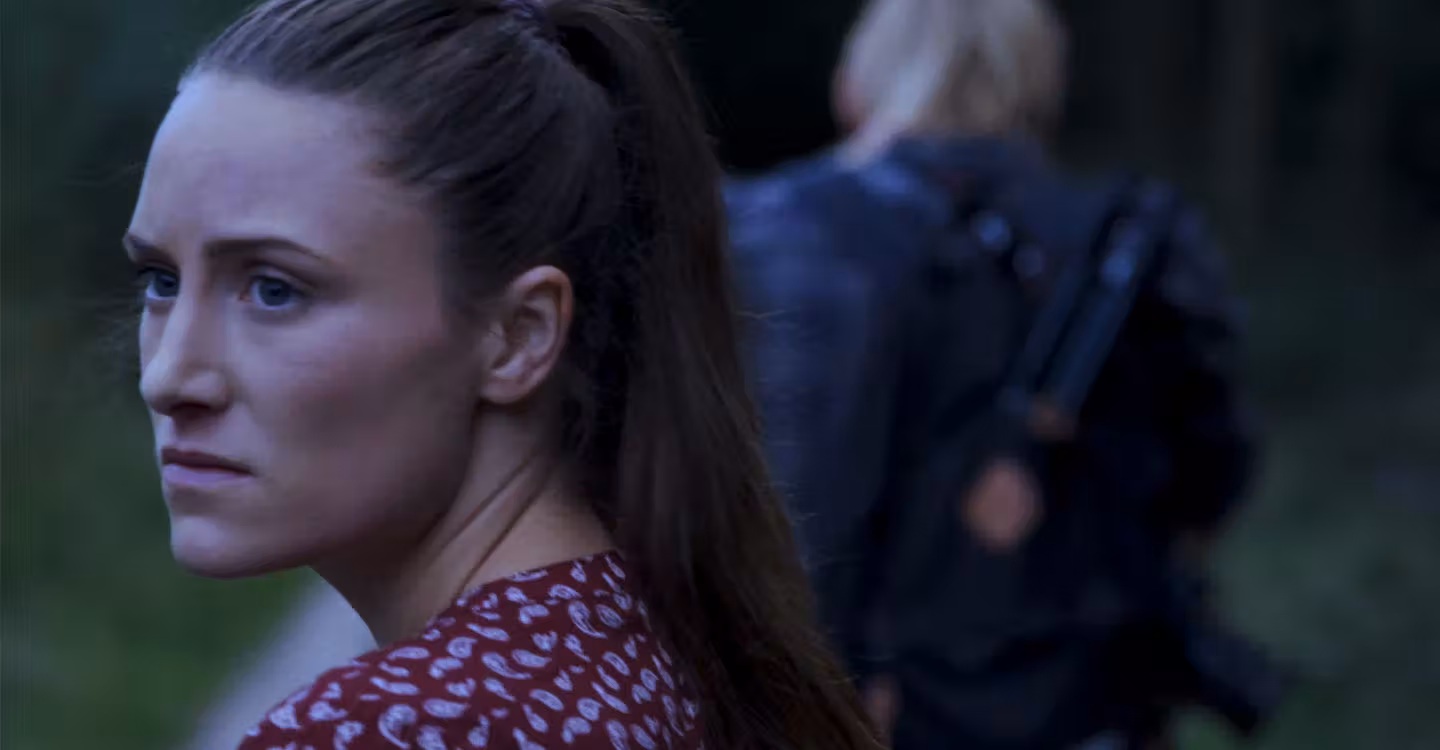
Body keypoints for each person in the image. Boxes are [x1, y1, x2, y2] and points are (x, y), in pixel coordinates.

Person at [122, 0, 880, 748]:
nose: (170, 378)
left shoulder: (399, 729)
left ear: (519, 336)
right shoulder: (660, 659)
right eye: (160, 280)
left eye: (275, 290)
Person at [726, 0, 1273, 748]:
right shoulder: (1133, 242)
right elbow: (1212, 476)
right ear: (1043, 83)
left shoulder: (772, 231)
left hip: (848, 706)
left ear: (854, 83)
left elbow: (760, 499)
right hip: (1089, 705)